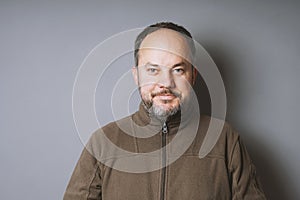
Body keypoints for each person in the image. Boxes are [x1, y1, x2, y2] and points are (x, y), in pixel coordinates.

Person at [64, 22, 266, 200]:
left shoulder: (225, 140)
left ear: (193, 76)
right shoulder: (103, 142)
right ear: (137, 76)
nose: (166, 83)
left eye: (178, 70)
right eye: (153, 70)